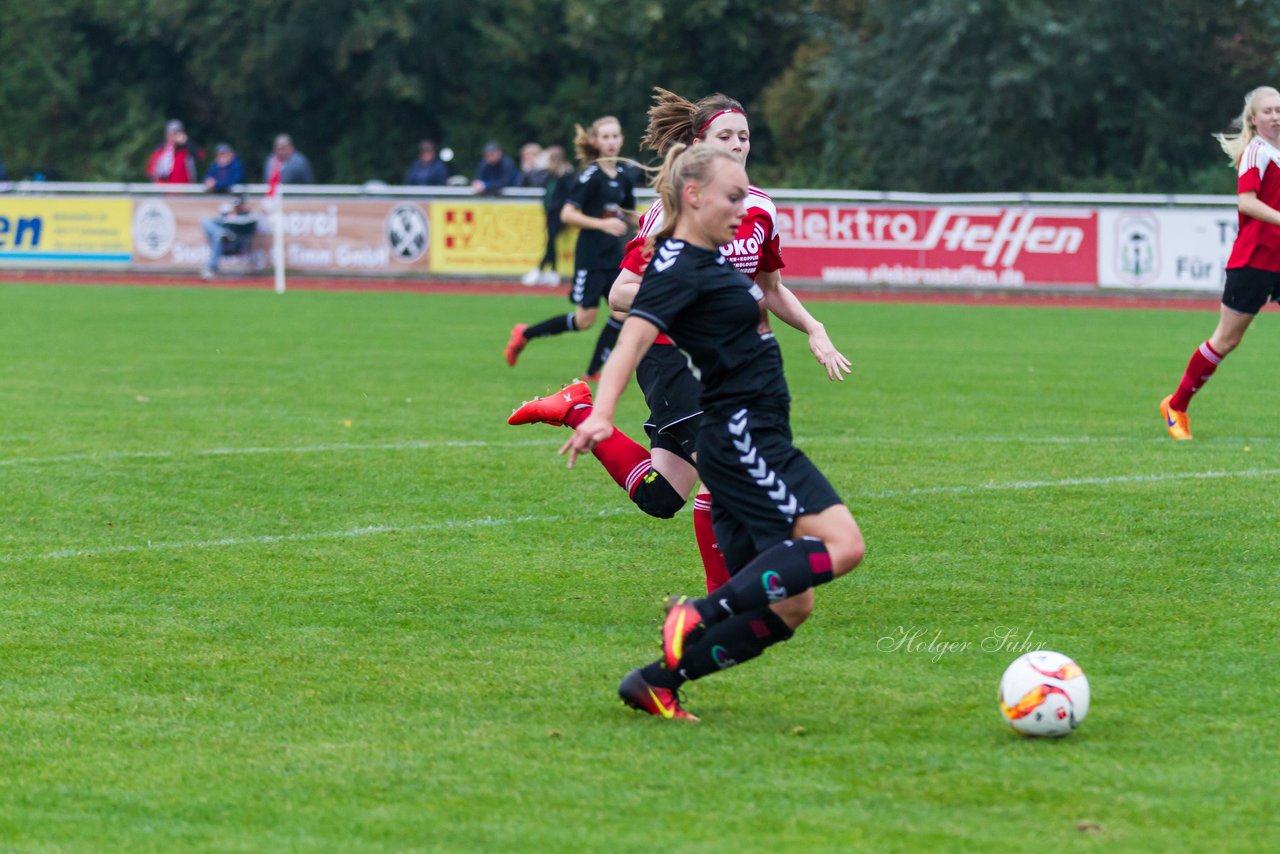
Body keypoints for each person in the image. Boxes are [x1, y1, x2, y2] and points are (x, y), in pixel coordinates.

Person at [561, 144, 865, 720]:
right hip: (746, 438)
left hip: (751, 439)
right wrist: (602, 412)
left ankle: (656, 681)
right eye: (732, 197)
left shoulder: (710, 259)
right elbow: (631, 332)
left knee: (792, 605)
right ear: (694, 197)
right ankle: (698, 612)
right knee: (844, 545)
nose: (742, 208)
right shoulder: (679, 266)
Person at [508, 89, 849, 595]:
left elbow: (770, 289)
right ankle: (723, 601)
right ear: (698, 146)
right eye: (724, 136)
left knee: (663, 496)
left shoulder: (761, 210)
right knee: (724, 468)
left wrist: (815, 329)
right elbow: (620, 292)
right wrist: (686, 298)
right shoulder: (670, 213)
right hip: (669, 355)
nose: (737, 145)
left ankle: (575, 409)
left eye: (744, 137)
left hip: (724, 364)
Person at [1161, 85, 1280, 440]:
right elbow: (1246, 202)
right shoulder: (1256, 152)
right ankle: (1176, 405)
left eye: (1279, 110)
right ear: (1254, 119)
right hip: (1254, 262)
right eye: (1268, 111)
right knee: (1226, 341)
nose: (1276, 116)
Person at [504, 116, 637, 379]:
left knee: (622, 312)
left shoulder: (624, 176)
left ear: (621, 139)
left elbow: (629, 213)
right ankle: (524, 334)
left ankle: (592, 372)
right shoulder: (590, 176)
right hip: (590, 256)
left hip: (614, 256)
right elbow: (567, 214)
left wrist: (656, 223)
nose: (611, 142)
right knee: (584, 320)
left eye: (615, 136)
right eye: (606, 137)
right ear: (595, 142)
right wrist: (602, 225)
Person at [521, 145, 575, 286]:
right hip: (550, 213)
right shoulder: (550, 175)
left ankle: (541, 270)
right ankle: (552, 271)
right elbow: (535, 181)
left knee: (550, 242)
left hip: (559, 214)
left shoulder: (566, 176)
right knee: (551, 243)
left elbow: (568, 195)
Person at [200, 194, 259, 280]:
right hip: (225, 243)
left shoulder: (249, 216)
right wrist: (228, 216)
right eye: (235, 206)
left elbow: (245, 223)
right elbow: (215, 221)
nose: (237, 208)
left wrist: (230, 218)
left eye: (239, 205)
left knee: (218, 235)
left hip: (238, 244)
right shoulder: (227, 215)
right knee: (210, 227)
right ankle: (212, 267)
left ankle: (212, 267)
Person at [147, 119, 197, 184]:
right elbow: (151, 170)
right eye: (171, 133)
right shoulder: (160, 149)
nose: (173, 136)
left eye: (176, 133)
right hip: (163, 190)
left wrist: (186, 142)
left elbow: (200, 155)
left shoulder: (186, 150)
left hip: (183, 190)